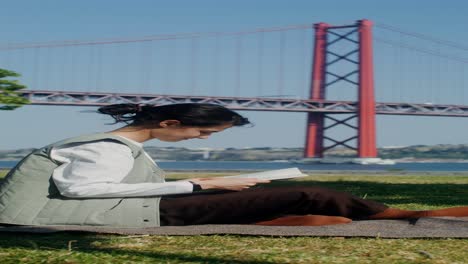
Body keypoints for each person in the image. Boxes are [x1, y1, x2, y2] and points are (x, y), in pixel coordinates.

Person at [0, 103, 467, 228]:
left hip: (132, 207)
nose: (201, 139)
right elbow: (82, 192)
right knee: (305, 193)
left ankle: (289, 219)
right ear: (171, 123)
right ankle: (403, 216)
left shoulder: (114, 145)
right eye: (202, 133)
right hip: (105, 214)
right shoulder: (104, 147)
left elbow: (103, 185)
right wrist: (195, 184)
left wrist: (210, 183)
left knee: (244, 193)